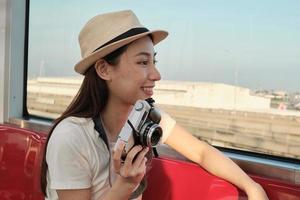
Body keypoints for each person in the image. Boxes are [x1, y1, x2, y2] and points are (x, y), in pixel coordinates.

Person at [40, 10, 269, 200]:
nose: (156, 74)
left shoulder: (145, 117)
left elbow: (201, 152)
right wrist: (126, 184)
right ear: (103, 69)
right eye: (142, 62)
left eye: (154, 62)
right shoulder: (72, 137)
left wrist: (252, 188)